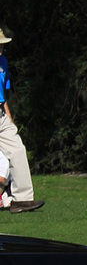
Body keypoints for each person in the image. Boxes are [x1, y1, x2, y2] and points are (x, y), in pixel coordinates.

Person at [0, 28, 42, 212]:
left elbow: (3, 93)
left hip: (0, 116)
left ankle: (22, 200)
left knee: (18, 150)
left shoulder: (3, 61)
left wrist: (8, 115)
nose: (1, 47)